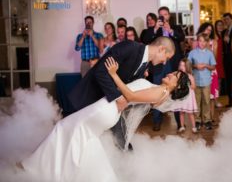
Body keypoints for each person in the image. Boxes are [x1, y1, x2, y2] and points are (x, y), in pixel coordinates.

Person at [18, 62, 190, 182]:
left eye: (175, 75)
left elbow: (130, 95)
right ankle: (83, 175)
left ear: (177, 86)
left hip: (106, 110)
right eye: (174, 72)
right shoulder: (158, 89)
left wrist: (114, 74)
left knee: (64, 127)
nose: (170, 73)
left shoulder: (160, 92)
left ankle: (36, 167)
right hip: (107, 109)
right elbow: (134, 92)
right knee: (84, 139)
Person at [68, 37, 175, 150]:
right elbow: (100, 72)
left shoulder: (146, 65)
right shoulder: (129, 47)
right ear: (161, 49)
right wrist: (119, 98)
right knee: (75, 143)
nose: (165, 62)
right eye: (166, 58)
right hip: (89, 100)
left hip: (109, 108)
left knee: (121, 144)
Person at [188, 33, 216, 130]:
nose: (202, 43)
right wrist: (196, 66)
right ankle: (197, 120)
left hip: (206, 81)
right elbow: (187, 65)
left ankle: (207, 120)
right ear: (197, 41)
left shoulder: (210, 53)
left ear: (207, 42)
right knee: (196, 101)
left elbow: (213, 67)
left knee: (206, 101)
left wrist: (205, 65)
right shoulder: (192, 53)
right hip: (195, 81)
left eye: (204, 41)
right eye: (200, 41)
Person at [197, 22, 219, 122]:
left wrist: (208, 48)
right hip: (199, 71)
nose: (208, 32)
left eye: (210, 30)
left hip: (211, 71)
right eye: (206, 29)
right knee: (201, 96)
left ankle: (211, 117)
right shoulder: (196, 42)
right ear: (202, 29)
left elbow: (214, 58)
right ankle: (202, 118)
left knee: (211, 96)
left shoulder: (214, 42)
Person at [172, 58, 198, 133]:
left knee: (190, 113)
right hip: (181, 96)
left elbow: (194, 86)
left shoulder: (190, 76)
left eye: (183, 65)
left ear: (187, 67)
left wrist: (189, 85)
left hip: (188, 97)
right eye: (180, 65)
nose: (181, 67)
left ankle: (194, 127)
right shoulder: (178, 75)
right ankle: (182, 126)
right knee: (181, 112)